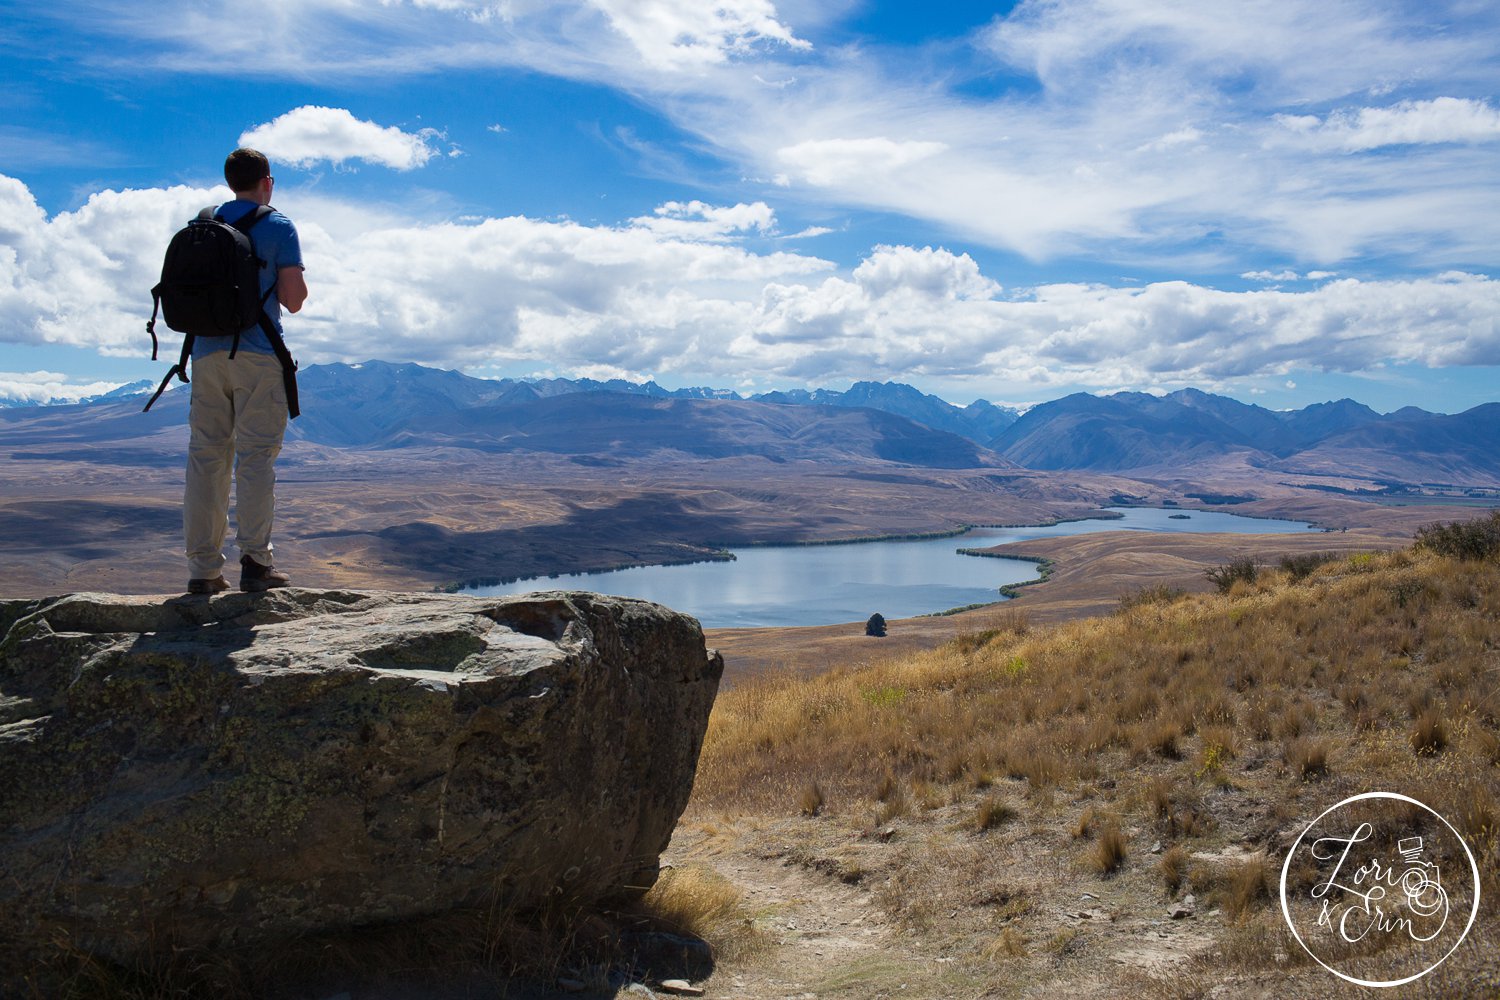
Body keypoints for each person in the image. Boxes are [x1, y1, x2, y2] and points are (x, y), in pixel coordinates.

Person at [184, 148, 307, 595]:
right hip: (257, 355)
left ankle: (203, 572)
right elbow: (292, 299)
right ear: (267, 182)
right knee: (255, 460)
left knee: (206, 459)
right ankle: (256, 564)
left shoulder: (202, 224)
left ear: (229, 180)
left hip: (205, 355)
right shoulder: (277, 225)